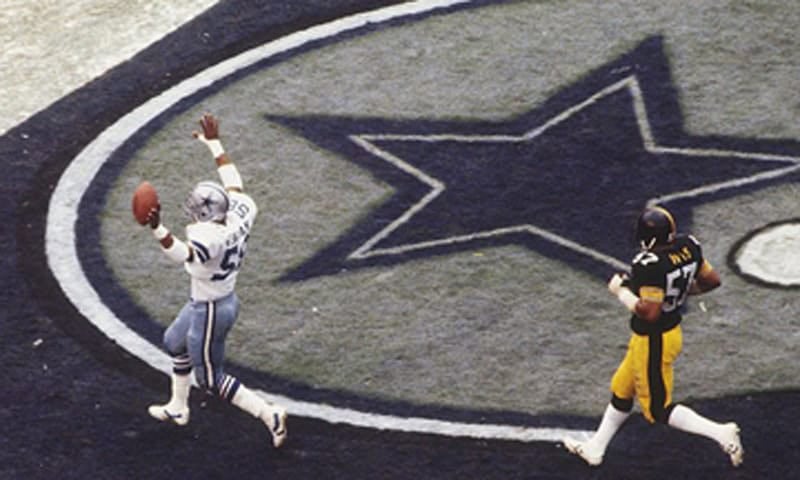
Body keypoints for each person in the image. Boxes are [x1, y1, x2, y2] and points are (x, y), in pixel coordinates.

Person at [142, 113, 287, 448]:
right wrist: (215, 145)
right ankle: (178, 407)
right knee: (174, 342)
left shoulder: (208, 240)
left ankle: (269, 414)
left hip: (211, 309)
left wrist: (157, 228)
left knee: (210, 379)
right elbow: (234, 183)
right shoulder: (238, 212)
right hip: (216, 300)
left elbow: (182, 253)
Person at [562, 205, 743, 467]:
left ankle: (720, 432)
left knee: (658, 408)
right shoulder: (688, 246)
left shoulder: (649, 264)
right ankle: (596, 448)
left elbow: (650, 313)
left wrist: (621, 292)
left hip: (655, 338)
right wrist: (676, 294)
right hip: (661, 334)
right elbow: (712, 280)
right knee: (622, 388)